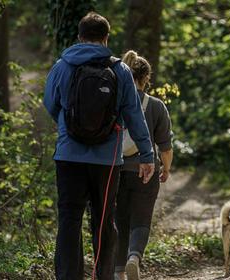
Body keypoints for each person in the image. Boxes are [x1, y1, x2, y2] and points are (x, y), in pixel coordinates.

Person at [43, 12, 155, 280]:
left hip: (69, 156)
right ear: (106, 38)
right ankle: (103, 276)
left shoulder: (62, 66)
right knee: (104, 221)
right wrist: (146, 154)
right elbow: (134, 114)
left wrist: (68, 126)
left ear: (79, 37)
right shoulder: (120, 70)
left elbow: (50, 103)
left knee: (69, 220)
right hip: (107, 160)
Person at [113, 51, 174, 280]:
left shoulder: (115, 102)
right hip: (145, 170)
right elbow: (165, 146)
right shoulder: (156, 106)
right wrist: (166, 168)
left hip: (116, 169)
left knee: (119, 221)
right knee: (141, 220)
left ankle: (118, 272)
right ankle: (134, 257)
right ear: (146, 77)